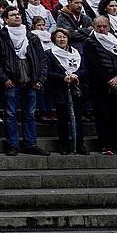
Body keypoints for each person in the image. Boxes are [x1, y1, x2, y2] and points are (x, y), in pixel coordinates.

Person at [0, 6, 48, 156]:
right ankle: (12, 145)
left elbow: (42, 59)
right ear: (6, 19)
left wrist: (40, 79)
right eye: (13, 15)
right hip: (11, 81)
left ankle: (31, 144)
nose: (17, 16)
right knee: (10, 114)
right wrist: (4, 78)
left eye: (18, 14)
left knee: (29, 114)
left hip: (31, 81)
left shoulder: (32, 36)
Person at [82, 15, 117, 156]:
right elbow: (92, 65)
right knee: (103, 115)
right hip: (100, 85)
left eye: (104, 26)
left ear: (109, 26)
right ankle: (106, 144)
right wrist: (109, 80)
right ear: (94, 27)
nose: (102, 29)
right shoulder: (90, 42)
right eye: (99, 26)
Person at [45, 27, 88, 155]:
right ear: (54, 39)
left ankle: (79, 145)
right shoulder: (49, 53)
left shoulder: (77, 53)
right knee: (63, 119)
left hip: (76, 88)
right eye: (59, 37)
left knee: (78, 119)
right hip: (60, 90)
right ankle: (64, 145)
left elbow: (85, 69)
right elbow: (48, 72)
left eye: (64, 37)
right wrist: (63, 77)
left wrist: (76, 75)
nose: (61, 39)